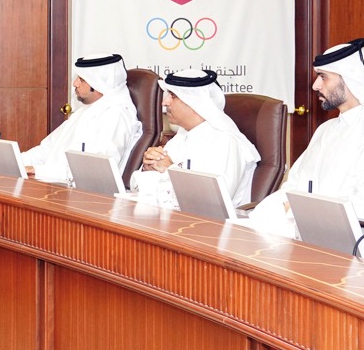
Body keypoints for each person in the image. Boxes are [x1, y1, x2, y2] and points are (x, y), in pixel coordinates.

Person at [249, 39, 364, 237]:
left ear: (350, 78)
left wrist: (293, 212)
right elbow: (293, 187)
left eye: (323, 77)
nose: (315, 86)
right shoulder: (325, 130)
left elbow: (356, 209)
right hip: (305, 235)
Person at [132, 68, 259, 207]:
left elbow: (214, 203)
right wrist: (148, 167)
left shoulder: (226, 142)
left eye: (173, 96)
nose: (165, 102)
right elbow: (137, 188)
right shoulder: (181, 136)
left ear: (195, 102)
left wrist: (170, 170)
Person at [21, 54, 143, 183]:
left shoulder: (116, 116)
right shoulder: (84, 111)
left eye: (81, 79)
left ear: (99, 83)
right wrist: (17, 162)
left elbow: (94, 172)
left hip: (85, 197)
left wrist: (38, 171)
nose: (75, 83)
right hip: (57, 187)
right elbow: (46, 149)